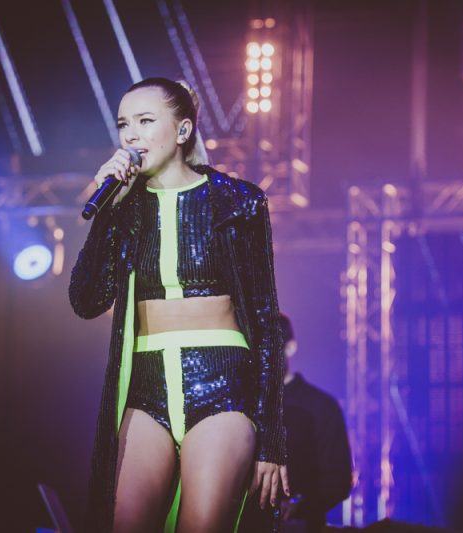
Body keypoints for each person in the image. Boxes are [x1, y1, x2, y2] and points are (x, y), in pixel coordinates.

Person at [69, 77, 289, 532]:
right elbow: (86, 301)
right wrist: (108, 209)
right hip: (146, 388)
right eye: (124, 124)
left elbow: (265, 320)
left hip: (222, 384)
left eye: (146, 121)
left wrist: (273, 439)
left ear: (183, 130)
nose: (132, 135)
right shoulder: (125, 208)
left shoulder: (238, 201)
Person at [276, 313, 353, 533]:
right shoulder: (244, 406)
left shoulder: (321, 406)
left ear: (290, 347)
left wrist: (299, 505)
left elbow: (338, 479)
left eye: (270, 346)